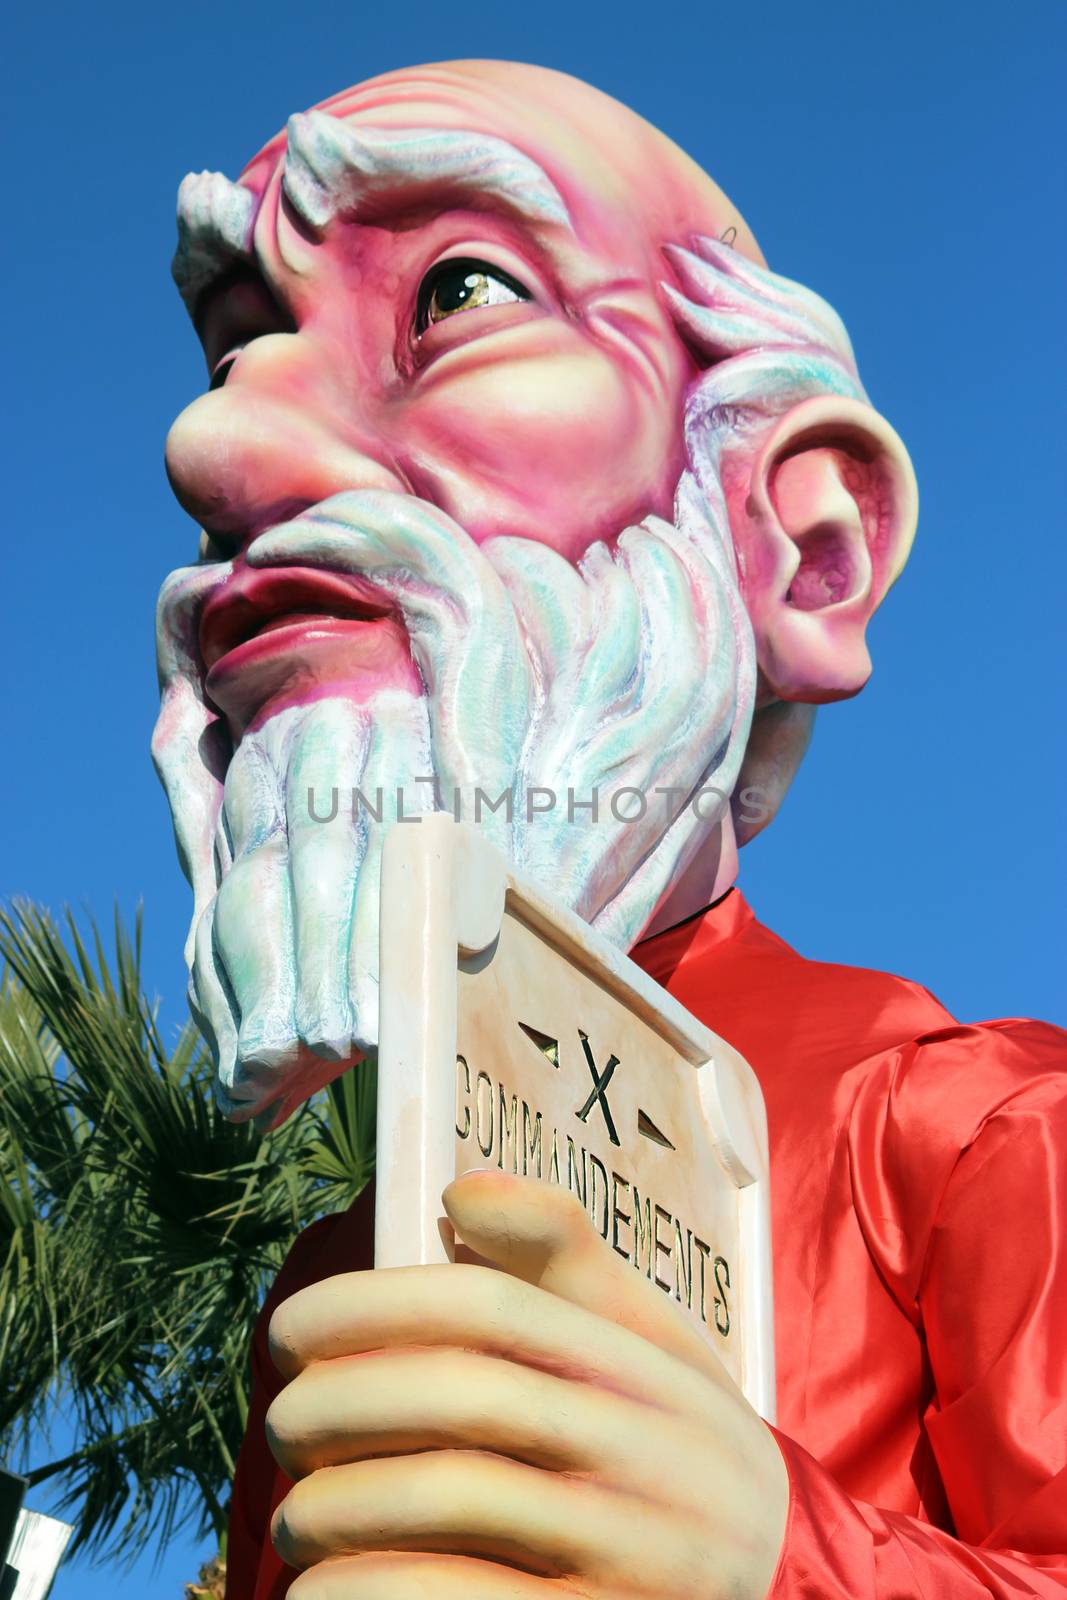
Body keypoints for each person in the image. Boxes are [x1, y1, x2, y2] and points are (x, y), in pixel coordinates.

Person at [154, 60, 1066, 1598]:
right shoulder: (336, 1281)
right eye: (241, 349)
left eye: (458, 290)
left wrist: (780, 1558)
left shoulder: (975, 1133)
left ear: (806, 545)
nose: (220, 451)